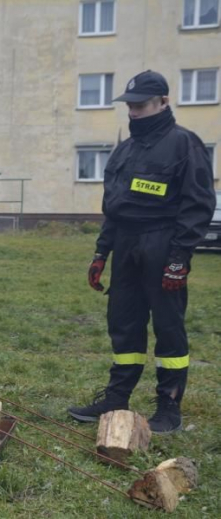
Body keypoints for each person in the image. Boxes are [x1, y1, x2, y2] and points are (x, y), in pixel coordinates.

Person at [68, 71, 216, 434]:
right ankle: (117, 396)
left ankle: (169, 406)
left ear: (164, 101)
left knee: (168, 327)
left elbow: (198, 205)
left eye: (141, 105)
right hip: (126, 245)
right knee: (123, 323)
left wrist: (180, 257)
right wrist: (102, 253)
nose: (133, 112)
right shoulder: (125, 149)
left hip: (164, 244)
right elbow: (114, 208)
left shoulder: (185, 144)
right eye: (130, 105)